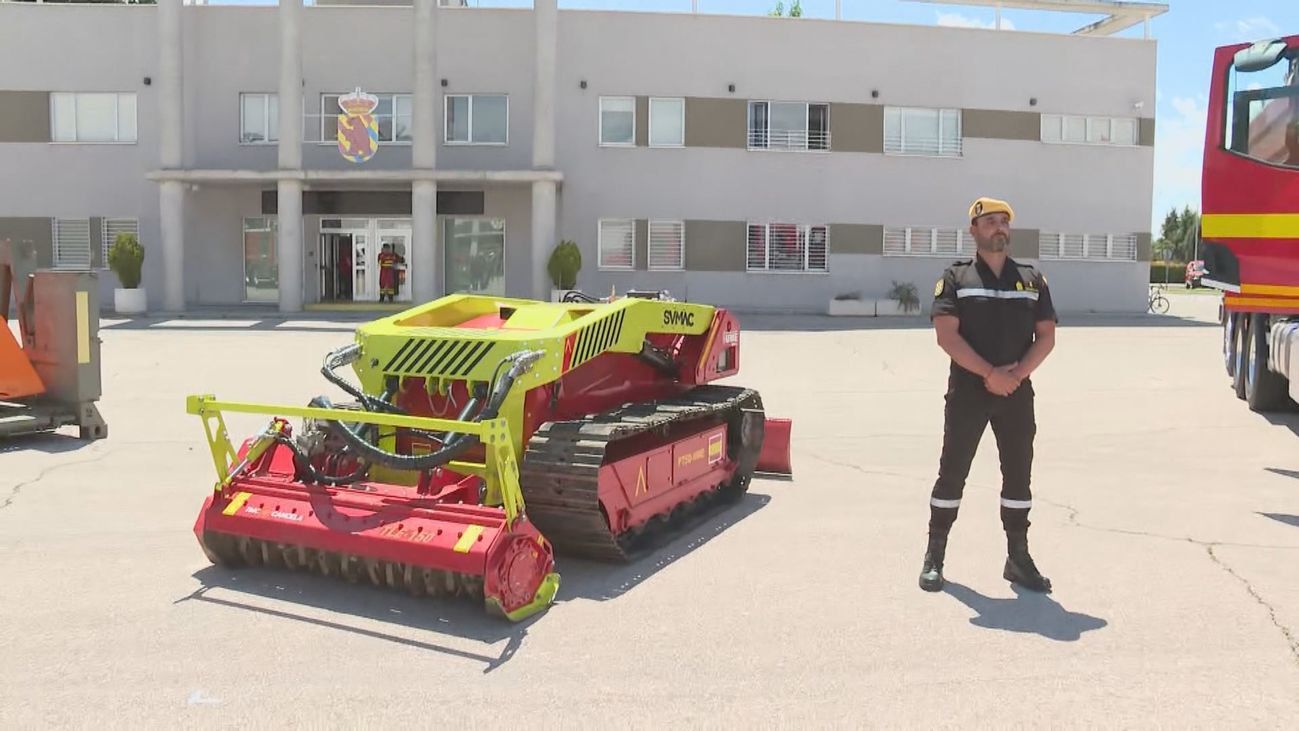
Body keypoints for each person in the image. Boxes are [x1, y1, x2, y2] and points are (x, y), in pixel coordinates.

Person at [919, 197, 1058, 594]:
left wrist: (1015, 375)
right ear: (974, 230)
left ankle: (1018, 558)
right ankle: (934, 556)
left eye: (1004, 222)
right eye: (990, 221)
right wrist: (990, 374)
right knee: (952, 473)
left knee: (1018, 475)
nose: (999, 228)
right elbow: (947, 336)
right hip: (968, 392)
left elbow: (1046, 337)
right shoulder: (956, 278)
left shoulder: (1031, 279)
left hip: (1016, 392)